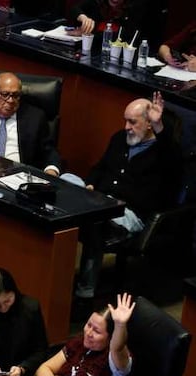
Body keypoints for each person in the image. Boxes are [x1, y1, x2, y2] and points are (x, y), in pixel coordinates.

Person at [74, 92, 182, 302]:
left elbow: (175, 163)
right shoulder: (118, 139)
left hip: (130, 214)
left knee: (95, 223)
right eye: (126, 121)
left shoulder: (163, 152)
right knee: (67, 190)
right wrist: (90, 183)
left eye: (133, 122)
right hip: (99, 200)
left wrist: (161, 127)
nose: (126, 127)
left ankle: (84, 294)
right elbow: (100, 167)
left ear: (149, 123)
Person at [36, 293, 134, 376]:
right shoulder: (79, 343)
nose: (88, 333)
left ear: (110, 337)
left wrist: (120, 325)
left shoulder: (117, 359)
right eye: (89, 325)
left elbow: (117, 347)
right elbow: (44, 368)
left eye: (96, 331)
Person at [70, 0, 167, 47]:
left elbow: (123, 38)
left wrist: (89, 34)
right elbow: (74, 9)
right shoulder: (98, 3)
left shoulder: (135, 9)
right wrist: (82, 17)